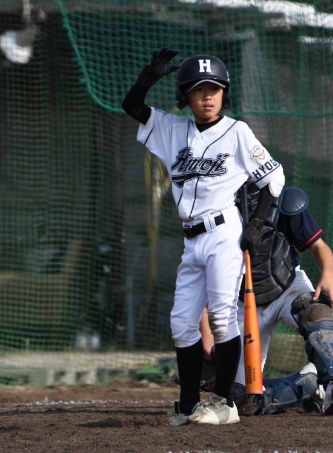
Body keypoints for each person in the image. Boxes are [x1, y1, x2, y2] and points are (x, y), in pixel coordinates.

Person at [122, 48, 285, 425]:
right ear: (186, 96)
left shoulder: (237, 131)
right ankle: (189, 404)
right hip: (191, 239)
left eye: (214, 88)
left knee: (223, 319)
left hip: (224, 233)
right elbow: (132, 106)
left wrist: (256, 225)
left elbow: (273, 180)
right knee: (181, 323)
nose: (207, 96)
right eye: (198, 90)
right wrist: (148, 77)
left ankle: (225, 403)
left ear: (225, 93)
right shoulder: (172, 130)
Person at [190, 184, 333, 416]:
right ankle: (306, 386)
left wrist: (329, 276)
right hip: (239, 302)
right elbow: (201, 276)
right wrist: (207, 332)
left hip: (287, 286)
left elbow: (319, 247)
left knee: (318, 314)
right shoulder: (211, 207)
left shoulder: (281, 198)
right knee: (243, 400)